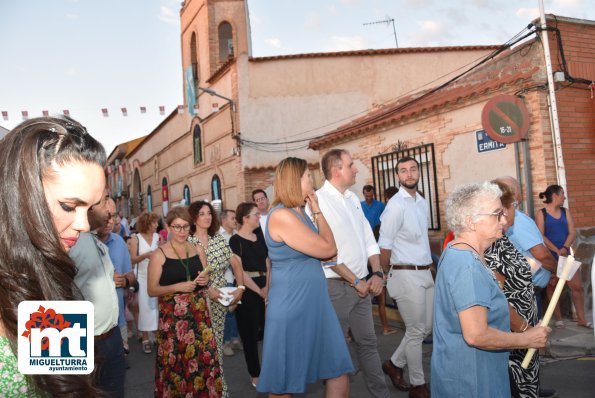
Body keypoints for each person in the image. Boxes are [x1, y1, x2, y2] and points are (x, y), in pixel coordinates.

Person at [0, 116, 105, 397]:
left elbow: (63, 386)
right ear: (22, 193)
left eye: (90, 209)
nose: (84, 225)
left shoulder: (52, 276)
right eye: (69, 205)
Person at [432, 182, 551, 397]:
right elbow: (476, 335)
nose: (504, 220)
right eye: (497, 214)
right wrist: (527, 339)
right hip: (473, 382)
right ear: (471, 222)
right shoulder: (467, 264)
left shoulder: (460, 251)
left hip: (469, 374)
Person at [257, 157, 353, 397]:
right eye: (308, 176)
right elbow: (328, 249)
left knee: (338, 368)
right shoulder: (281, 215)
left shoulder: (300, 212)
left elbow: (328, 248)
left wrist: (315, 210)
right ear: (295, 180)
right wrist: (318, 209)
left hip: (315, 303)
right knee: (284, 383)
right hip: (292, 306)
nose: (313, 180)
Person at [316, 150, 391, 398]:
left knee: (368, 343)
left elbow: (369, 240)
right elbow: (326, 253)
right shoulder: (317, 202)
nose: (356, 169)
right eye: (351, 165)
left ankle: (381, 394)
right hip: (335, 288)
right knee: (336, 354)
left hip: (361, 287)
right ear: (337, 170)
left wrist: (377, 272)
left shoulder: (352, 198)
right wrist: (355, 280)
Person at [147, 206, 223, 397]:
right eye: (177, 227)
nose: (182, 232)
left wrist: (205, 281)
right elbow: (151, 289)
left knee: (203, 363)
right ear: (168, 227)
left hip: (199, 317)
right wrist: (177, 287)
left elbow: (205, 276)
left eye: (185, 227)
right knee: (177, 366)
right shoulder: (159, 254)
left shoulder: (198, 249)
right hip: (174, 321)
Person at [378, 157, 434, 397]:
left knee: (426, 328)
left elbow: (421, 237)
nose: (409, 174)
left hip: (425, 272)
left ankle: (393, 364)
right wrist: (383, 274)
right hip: (404, 273)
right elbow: (384, 245)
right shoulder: (395, 205)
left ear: (418, 172)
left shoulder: (421, 202)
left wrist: (430, 265)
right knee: (415, 329)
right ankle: (418, 385)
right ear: (397, 176)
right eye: (403, 171)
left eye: (413, 169)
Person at [485, 181, 541, 397]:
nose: (512, 214)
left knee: (527, 381)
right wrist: (526, 330)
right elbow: (497, 297)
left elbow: (511, 270)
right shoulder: (491, 245)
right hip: (513, 331)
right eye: (513, 206)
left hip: (524, 326)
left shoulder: (503, 239)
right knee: (515, 385)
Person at [70, 189, 126, 397]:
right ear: (89, 208)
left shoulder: (95, 241)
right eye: (104, 205)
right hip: (86, 341)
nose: (109, 213)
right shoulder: (71, 241)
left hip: (111, 337)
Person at [188, 201, 245, 397]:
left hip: (220, 300)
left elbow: (235, 263)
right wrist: (207, 289)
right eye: (202, 213)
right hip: (196, 302)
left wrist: (240, 287)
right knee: (199, 352)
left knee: (216, 350)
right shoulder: (187, 242)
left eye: (209, 213)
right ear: (193, 217)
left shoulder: (218, 239)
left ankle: (219, 392)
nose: (207, 217)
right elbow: (185, 275)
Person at [535, 185, 590, 329]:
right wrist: (555, 250)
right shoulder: (541, 213)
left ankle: (582, 319)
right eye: (562, 194)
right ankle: (559, 319)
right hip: (549, 256)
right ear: (554, 195)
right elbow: (540, 235)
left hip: (566, 254)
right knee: (553, 287)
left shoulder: (566, 212)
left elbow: (572, 232)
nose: (564, 197)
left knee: (577, 287)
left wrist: (564, 248)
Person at [229, 202, 271, 388]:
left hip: (267, 286)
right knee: (250, 336)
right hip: (247, 290)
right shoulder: (235, 241)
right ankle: (255, 374)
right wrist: (259, 290)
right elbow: (240, 271)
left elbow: (268, 263)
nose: (259, 217)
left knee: (271, 332)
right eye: (255, 214)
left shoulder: (261, 235)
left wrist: (268, 287)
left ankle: (272, 369)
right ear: (245, 218)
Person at [98, 198, 136, 355]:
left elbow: (131, 276)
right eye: (105, 216)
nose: (110, 221)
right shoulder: (81, 243)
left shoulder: (119, 241)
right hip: (94, 326)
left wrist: (125, 281)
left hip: (119, 322)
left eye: (113, 216)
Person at [127, 212, 161, 353]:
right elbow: (132, 259)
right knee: (144, 308)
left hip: (157, 275)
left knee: (157, 308)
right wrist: (146, 255)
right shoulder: (136, 239)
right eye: (154, 222)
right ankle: (146, 338)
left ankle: (158, 336)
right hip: (141, 276)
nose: (157, 225)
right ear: (147, 223)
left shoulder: (158, 237)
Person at [218, 209, 243, 356]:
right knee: (226, 311)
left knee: (235, 310)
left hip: (237, 278)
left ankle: (234, 338)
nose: (236, 221)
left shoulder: (236, 235)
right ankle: (225, 342)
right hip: (225, 279)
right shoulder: (217, 237)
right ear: (224, 220)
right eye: (233, 218)